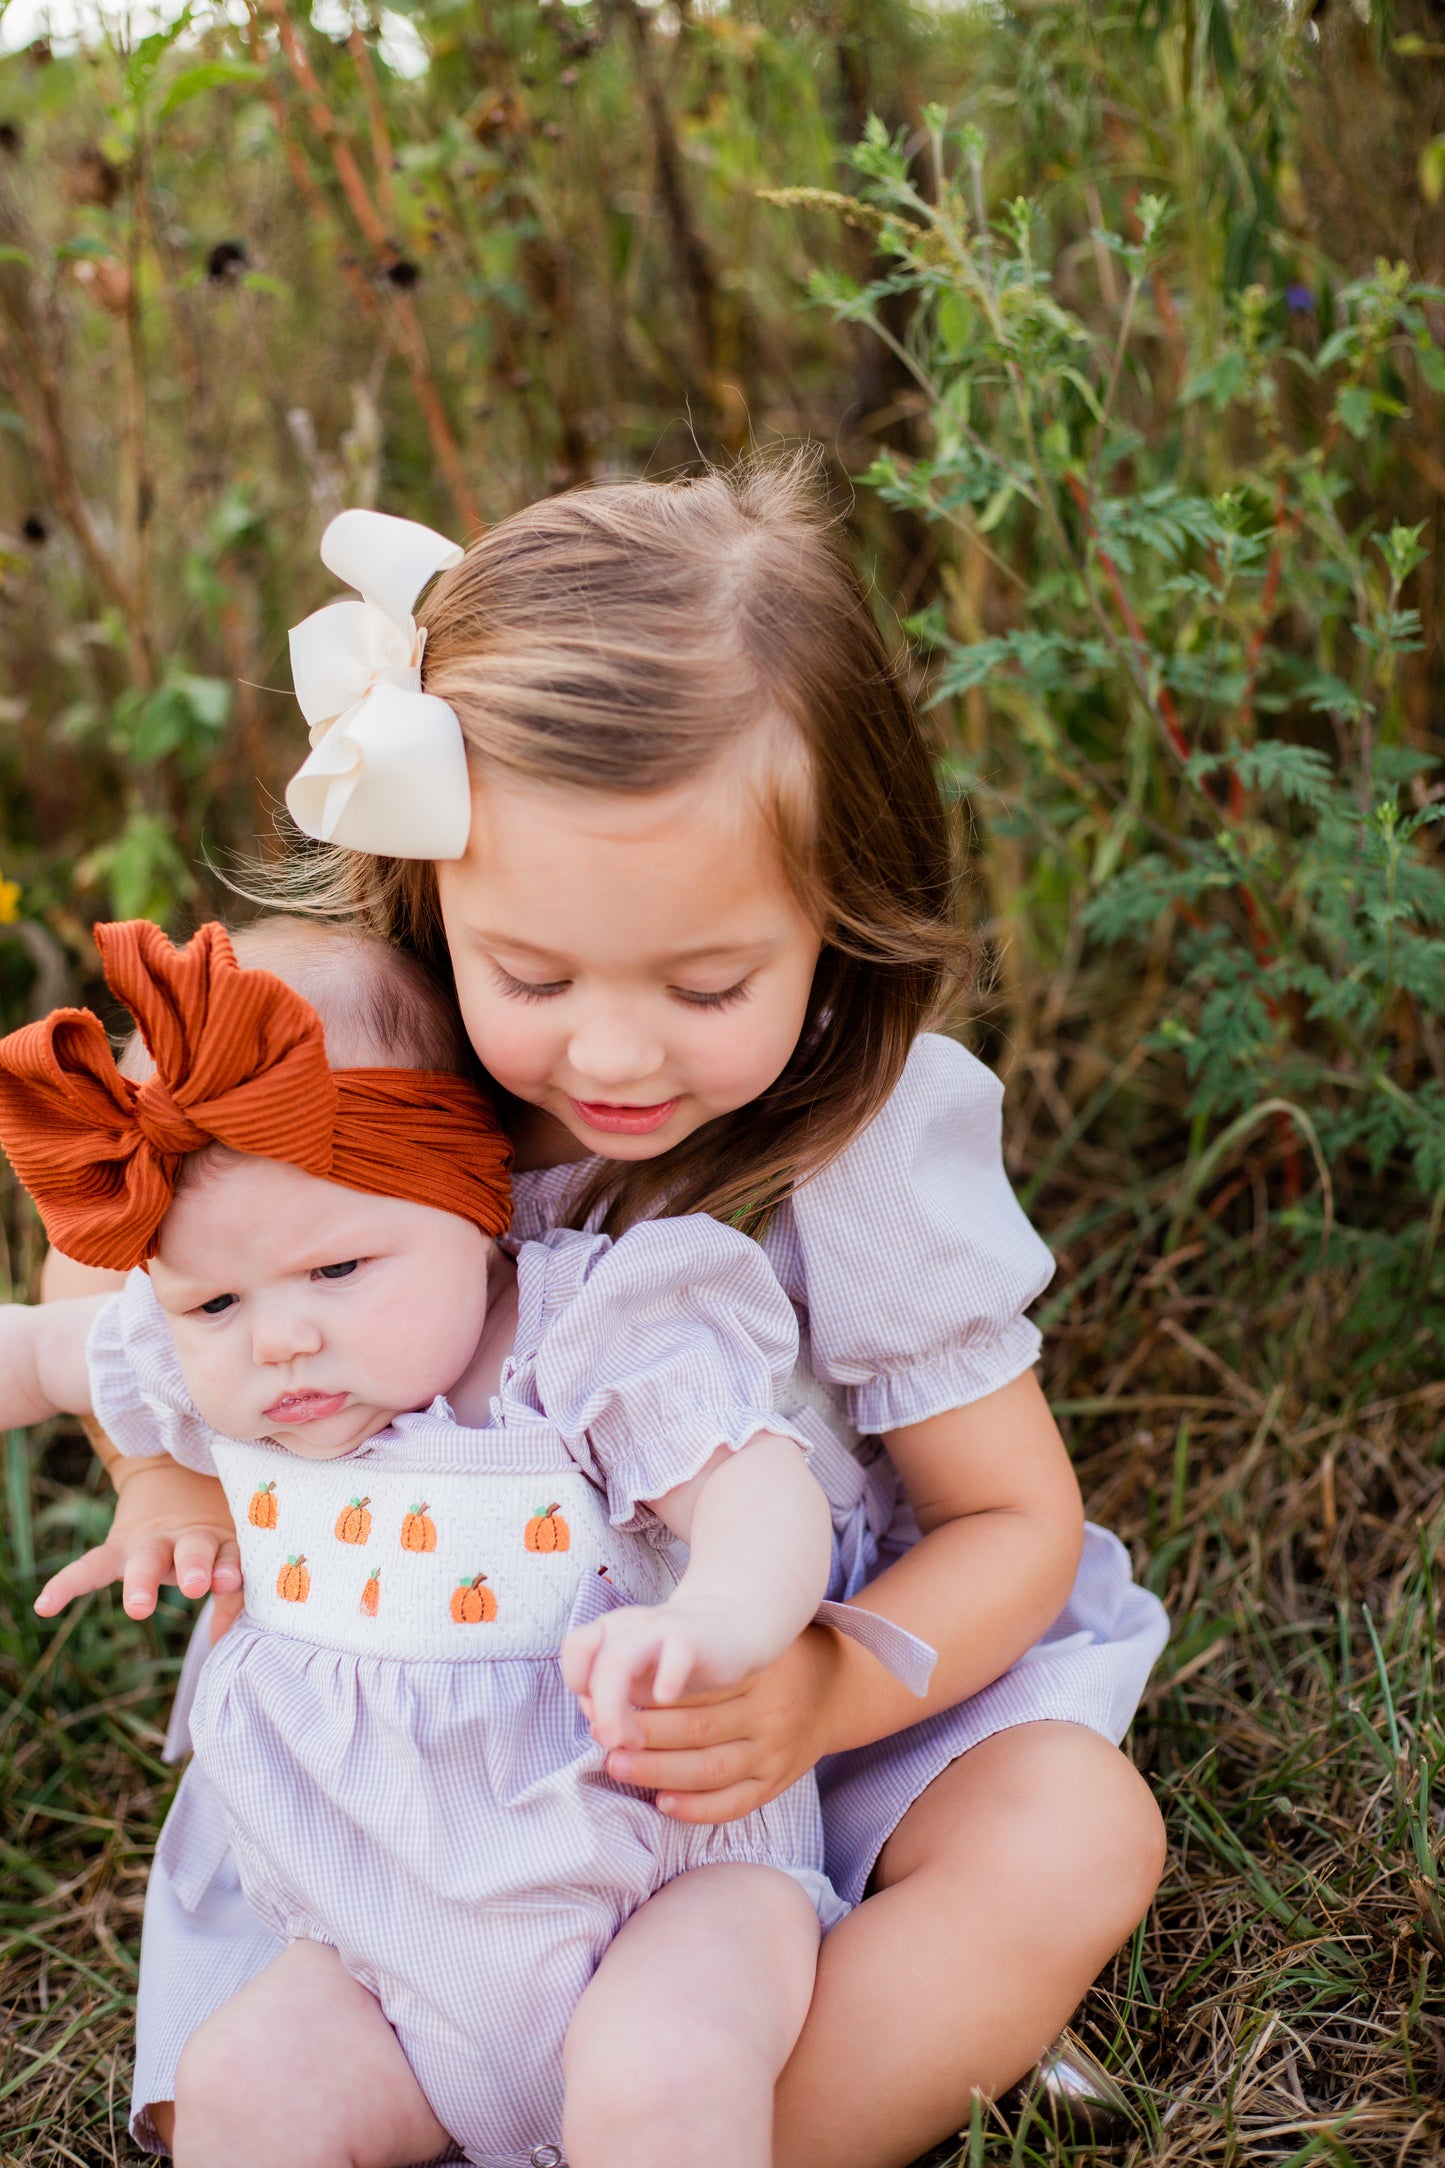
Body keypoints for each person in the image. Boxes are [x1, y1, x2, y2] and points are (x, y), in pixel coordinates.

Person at [44, 461, 1171, 2168]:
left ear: (837, 916)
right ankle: (526, 2071)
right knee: (258, 2084)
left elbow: (1011, 1521)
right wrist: (161, 1472)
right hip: (422, 1773)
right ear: (431, 897)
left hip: (775, 1717)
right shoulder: (356, 1056)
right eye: (534, 975)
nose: (616, 1051)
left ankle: (714, 2103)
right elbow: (103, 1245)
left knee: (1073, 1824)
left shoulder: (859, 1145)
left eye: (710, 983)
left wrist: (812, 1695)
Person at [3, 916, 931, 2168]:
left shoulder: (588, 1333)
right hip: (380, 1935)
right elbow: (34, 1352)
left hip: (661, 1881)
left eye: (338, 1266)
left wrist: (719, 1615)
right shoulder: (209, 1360)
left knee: (664, 2075)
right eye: (215, 1298)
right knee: (240, 2089)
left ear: (467, 1198)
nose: (279, 1336)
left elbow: (756, 1490)